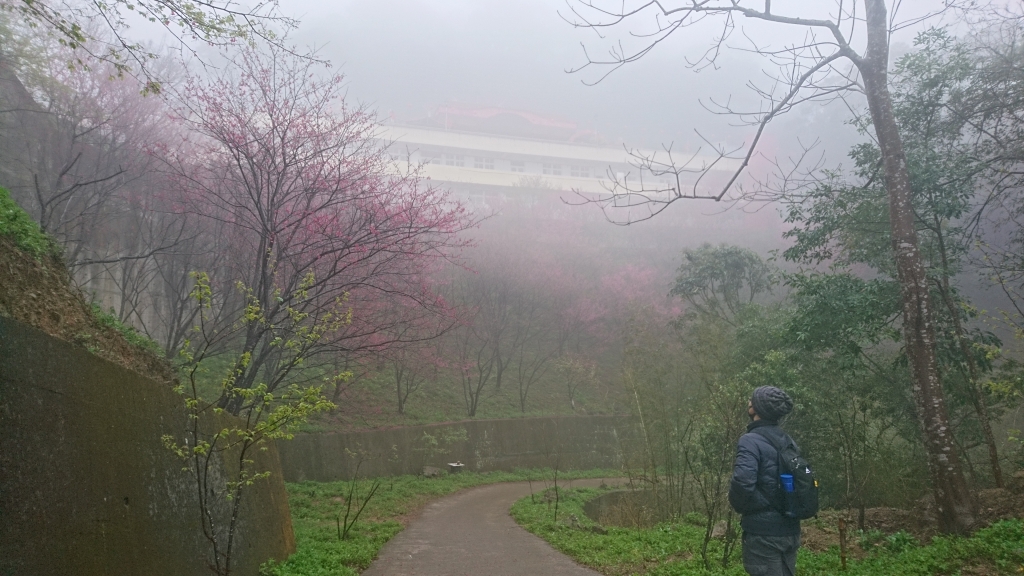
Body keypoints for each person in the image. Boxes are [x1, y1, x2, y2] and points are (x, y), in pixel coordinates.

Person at [728, 385, 800, 576]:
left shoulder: (750, 440)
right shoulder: (789, 441)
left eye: (752, 400)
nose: (748, 402)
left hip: (763, 534)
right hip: (790, 530)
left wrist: (741, 506)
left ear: (757, 409)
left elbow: (743, 482)